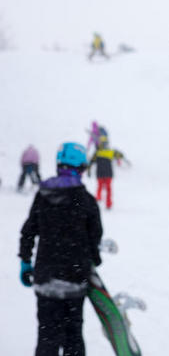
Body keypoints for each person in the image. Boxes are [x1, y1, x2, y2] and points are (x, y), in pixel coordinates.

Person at [18, 142, 103, 356]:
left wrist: (25, 261)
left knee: (47, 337)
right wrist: (93, 259)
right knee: (73, 336)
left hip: (46, 278)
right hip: (75, 279)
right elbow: (95, 236)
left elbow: (29, 230)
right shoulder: (86, 200)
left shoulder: (43, 196)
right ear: (80, 169)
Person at [87, 135, 126, 210]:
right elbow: (120, 155)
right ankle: (108, 204)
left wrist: (88, 170)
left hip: (100, 174)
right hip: (108, 174)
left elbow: (91, 162)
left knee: (100, 187)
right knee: (108, 189)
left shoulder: (97, 152)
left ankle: (98, 200)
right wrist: (117, 152)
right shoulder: (110, 152)